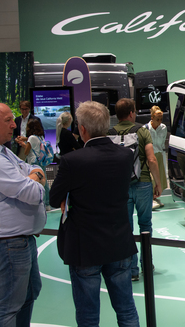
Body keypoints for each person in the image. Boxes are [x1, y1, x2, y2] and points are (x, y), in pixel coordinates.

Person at [49, 101, 139, 327]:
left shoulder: (72, 161)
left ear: (82, 129)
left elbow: (53, 198)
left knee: (88, 316)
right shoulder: (125, 156)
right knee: (127, 310)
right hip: (119, 241)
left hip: (85, 247)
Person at [0, 102, 47, 326]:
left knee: (29, 294)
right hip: (9, 244)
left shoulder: (5, 151)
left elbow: (32, 169)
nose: (14, 125)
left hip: (22, 241)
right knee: (9, 306)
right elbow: (30, 192)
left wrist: (34, 175)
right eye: (8, 120)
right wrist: (36, 177)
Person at [112, 98, 161, 281]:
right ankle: (147, 266)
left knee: (127, 229)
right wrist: (158, 183)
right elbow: (151, 159)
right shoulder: (142, 131)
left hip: (121, 188)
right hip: (143, 183)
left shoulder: (109, 134)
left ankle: (132, 270)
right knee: (145, 226)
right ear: (132, 113)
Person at [16, 118, 51, 209]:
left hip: (34, 162)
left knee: (37, 182)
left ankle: (41, 202)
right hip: (41, 161)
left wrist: (22, 143)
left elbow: (26, 152)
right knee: (45, 182)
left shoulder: (31, 138)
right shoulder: (40, 137)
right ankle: (47, 203)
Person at [145, 106, 168, 210]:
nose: (159, 122)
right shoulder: (145, 129)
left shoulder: (163, 128)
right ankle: (150, 199)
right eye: (157, 119)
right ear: (152, 118)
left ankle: (155, 196)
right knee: (151, 177)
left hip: (159, 154)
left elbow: (162, 142)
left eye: (161, 119)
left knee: (160, 177)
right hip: (149, 156)